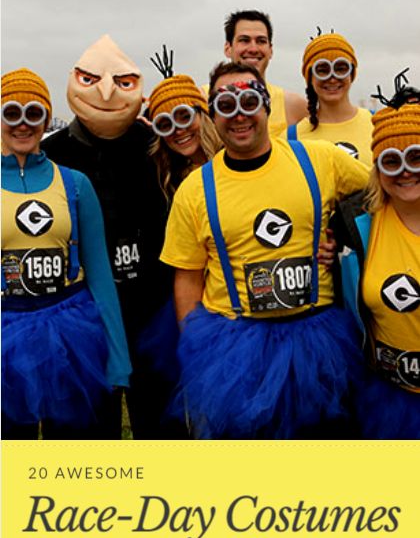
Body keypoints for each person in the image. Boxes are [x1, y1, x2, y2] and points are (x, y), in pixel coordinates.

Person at [160, 61, 369, 440]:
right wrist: (196, 355)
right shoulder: (194, 189)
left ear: (266, 107)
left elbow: (384, 197)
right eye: (226, 105)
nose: (239, 115)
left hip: (317, 342)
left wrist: (343, 236)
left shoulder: (321, 159)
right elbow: (187, 277)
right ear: (212, 115)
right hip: (235, 348)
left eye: (249, 101)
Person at [42, 36, 173, 439]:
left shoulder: (156, 146)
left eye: (121, 83)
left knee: (161, 426)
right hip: (82, 309)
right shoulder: (52, 152)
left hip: (151, 306)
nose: (105, 92)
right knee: (85, 432)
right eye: (91, 79)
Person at [1, 67, 132, 439]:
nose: (23, 124)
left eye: (34, 113)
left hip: (71, 334)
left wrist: (118, 360)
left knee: (73, 457)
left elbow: (101, 275)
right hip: (6, 331)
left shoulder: (75, 184)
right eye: (12, 113)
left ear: (46, 119)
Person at [336, 89, 420, 439]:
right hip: (391, 399)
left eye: (415, 157)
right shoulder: (355, 223)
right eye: (390, 160)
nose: (404, 172)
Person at [203, 10, 307, 141]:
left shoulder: (293, 106)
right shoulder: (202, 100)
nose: (253, 49)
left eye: (261, 41)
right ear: (228, 48)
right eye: (244, 40)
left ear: (271, 50)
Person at [288, 29, 373, 167]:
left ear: (352, 74)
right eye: (322, 70)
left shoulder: (376, 124)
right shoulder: (292, 138)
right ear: (310, 78)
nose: (332, 79)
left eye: (340, 69)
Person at [148, 71, 224, 202]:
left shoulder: (235, 159)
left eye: (185, 117)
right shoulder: (166, 178)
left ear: (204, 115)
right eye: (166, 125)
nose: (178, 130)